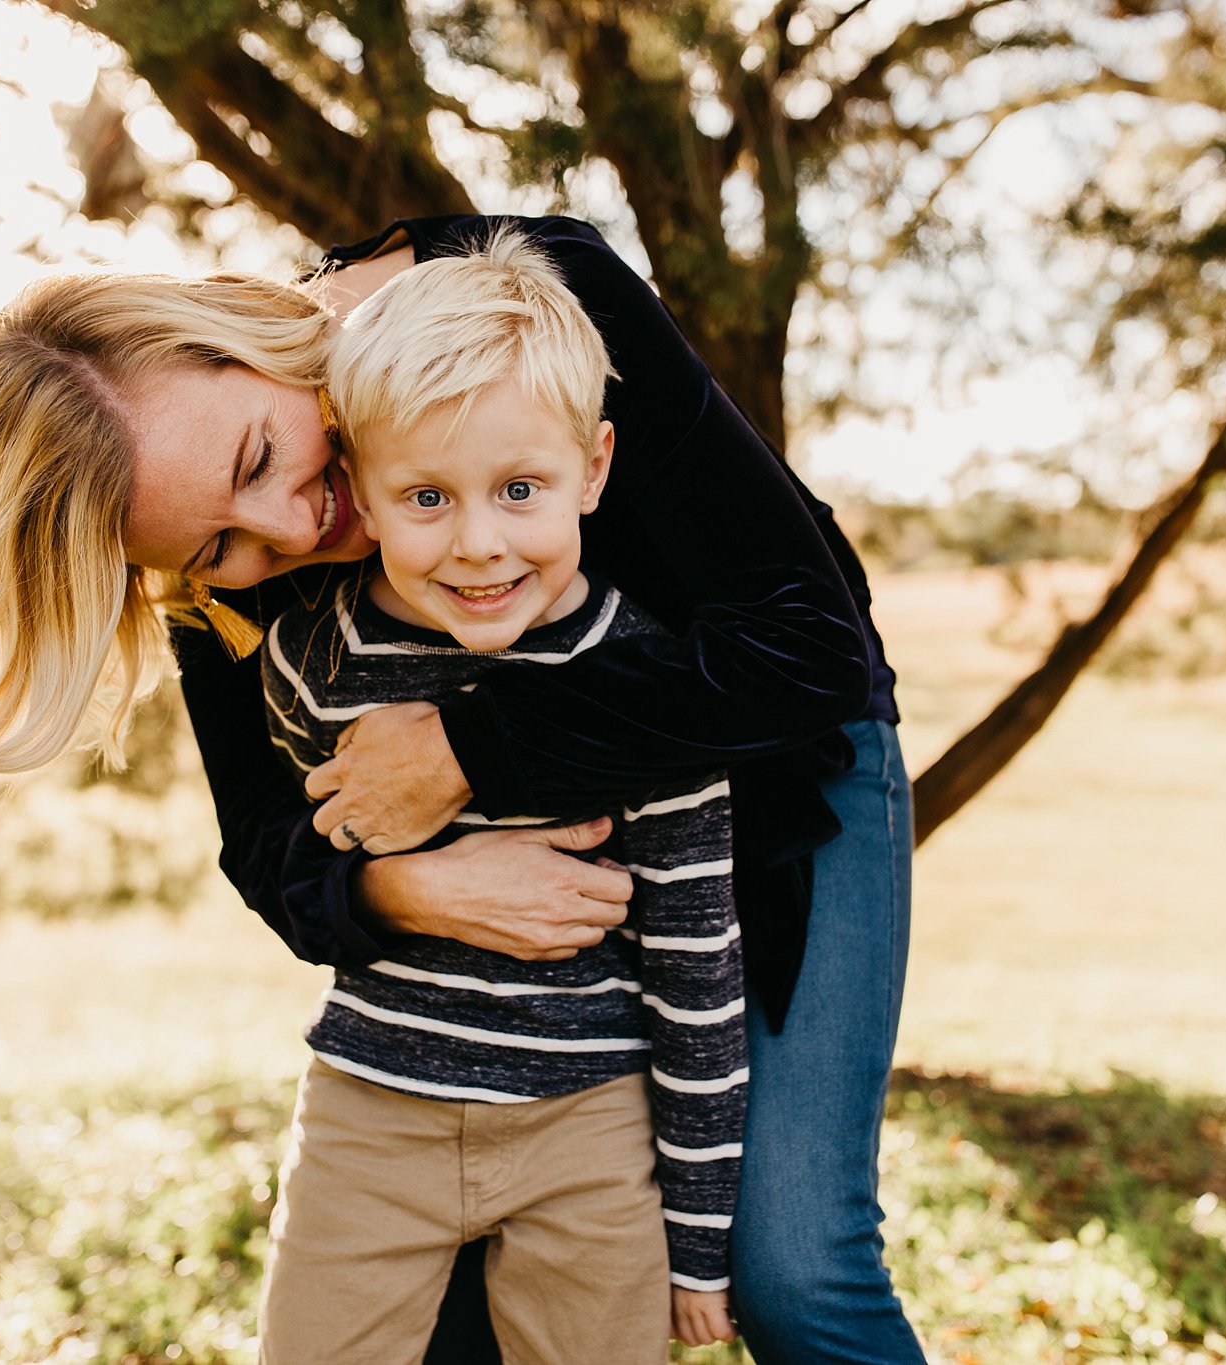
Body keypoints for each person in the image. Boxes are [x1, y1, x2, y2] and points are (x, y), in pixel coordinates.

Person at [0, 213, 922, 1364]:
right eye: (217, 550)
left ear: (250, 334)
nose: (291, 528)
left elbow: (801, 649)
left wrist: (464, 753)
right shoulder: (200, 562)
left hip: (781, 771)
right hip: (497, 986)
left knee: (789, 1265)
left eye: (259, 461)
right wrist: (411, 893)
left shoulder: (527, 305)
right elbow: (267, 845)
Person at [254, 230, 744, 1360]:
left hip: (589, 1130)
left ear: (594, 470)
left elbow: (696, 971)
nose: (479, 544)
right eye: (425, 495)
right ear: (359, 495)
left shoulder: (649, 683)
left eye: (520, 489)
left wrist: (699, 1237)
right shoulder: (307, 665)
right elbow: (309, 846)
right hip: (367, 1115)